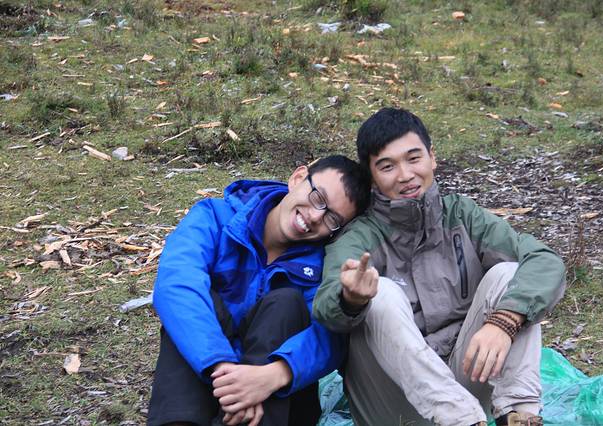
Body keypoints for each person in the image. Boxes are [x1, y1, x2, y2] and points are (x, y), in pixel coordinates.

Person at [313, 108, 566, 426]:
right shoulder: (360, 237)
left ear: (432, 157)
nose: (405, 175)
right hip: (393, 404)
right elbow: (326, 304)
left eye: (413, 158)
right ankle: (462, 420)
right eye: (387, 166)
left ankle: (518, 415)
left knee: (510, 275)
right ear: (371, 176)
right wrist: (350, 299)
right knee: (380, 292)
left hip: (468, 384)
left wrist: (504, 322)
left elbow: (544, 262)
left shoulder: (463, 216)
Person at [147, 155, 371, 426]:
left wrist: (274, 374)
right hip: (208, 376)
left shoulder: (322, 265)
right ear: (298, 178)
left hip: (277, 402)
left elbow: (329, 335)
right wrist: (224, 368)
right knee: (195, 305)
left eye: (332, 218)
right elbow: (177, 283)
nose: (314, 216)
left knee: (286, 304)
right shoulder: (215, 217)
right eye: (317, 198)